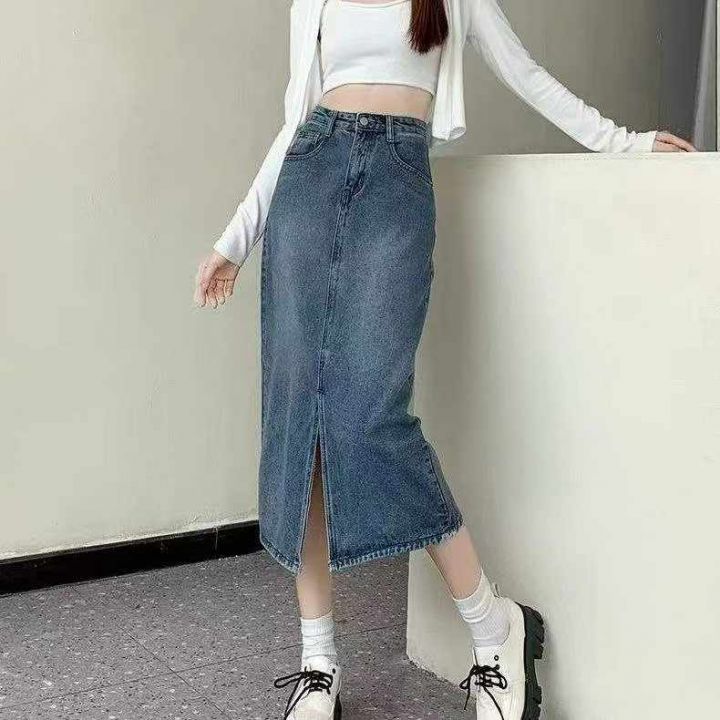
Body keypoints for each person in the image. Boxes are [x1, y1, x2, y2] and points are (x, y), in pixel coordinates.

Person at [193, 1, 695, 718]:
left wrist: (625, 143)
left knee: (370, 418)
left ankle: (496, 629)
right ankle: (317, 663)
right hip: (311, 177)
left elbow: (524, 73)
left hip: (396, 184)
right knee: (297, 423)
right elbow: (293, 120)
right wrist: (235, 240)